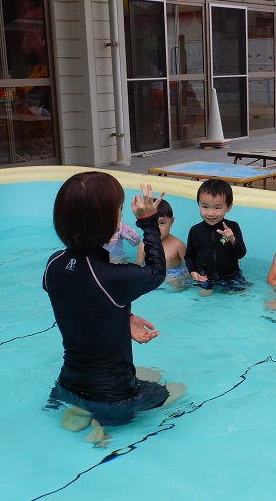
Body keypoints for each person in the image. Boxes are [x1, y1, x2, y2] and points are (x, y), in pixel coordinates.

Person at [44, 172, 185, 445]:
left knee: (149, 374)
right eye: (118, 211)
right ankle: (100, 425)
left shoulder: (53, 264)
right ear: (107, 223)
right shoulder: (112, 276)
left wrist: (124, 315)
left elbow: (81, 301)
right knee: (179, 391)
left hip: (68, 385)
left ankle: (77, 413)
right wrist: (148, 222)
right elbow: (156, 272)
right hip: (114, 398)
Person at [184, 179, 249, 295]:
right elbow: (189, 256)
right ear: (198, 204)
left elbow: (241, 253)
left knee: (238, 294)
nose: (210, 213)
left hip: (231, 275)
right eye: (205, 207)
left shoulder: (232, 227)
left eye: (217, 208)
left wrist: (232, 240)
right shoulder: (195, 231)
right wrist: (193, 272)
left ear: (228, 206)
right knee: (204, 294)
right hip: (205, 277)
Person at [137, 199, 188, 290]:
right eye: (153, 223)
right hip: (152, 276)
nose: (157, 228)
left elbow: (189, 266)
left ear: (171, 222)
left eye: (162, 223)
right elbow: (138, 265)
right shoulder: (143, 245)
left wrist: (185, 276)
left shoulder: (178, 245)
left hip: (172, 276)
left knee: (178, 287)